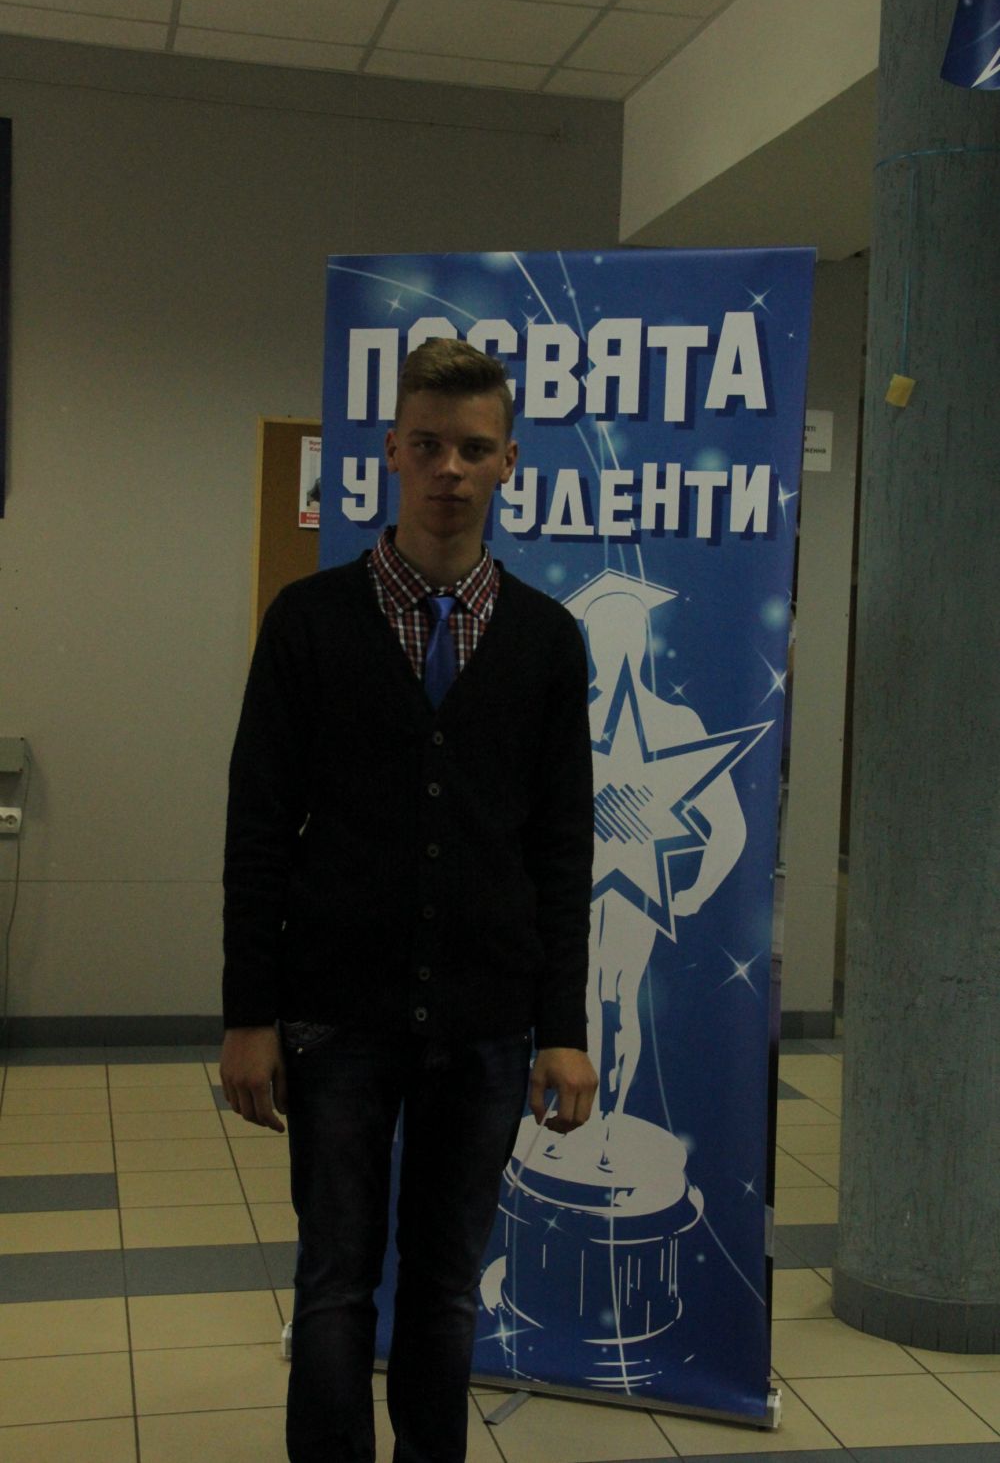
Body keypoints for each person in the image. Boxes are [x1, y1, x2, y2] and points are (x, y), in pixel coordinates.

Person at [220, 337, 597, 1463]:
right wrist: (248, 1014)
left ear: (509, 462)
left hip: (484, 1024)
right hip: (334, 1016)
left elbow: (562, 848)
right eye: (427, 446)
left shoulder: (546, 641)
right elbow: (257, 831)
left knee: (444, 1288)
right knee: (335, 1282)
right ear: (390, 451)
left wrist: (563, 1029)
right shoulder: (308, 623)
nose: (450, 470)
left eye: (474, 449)